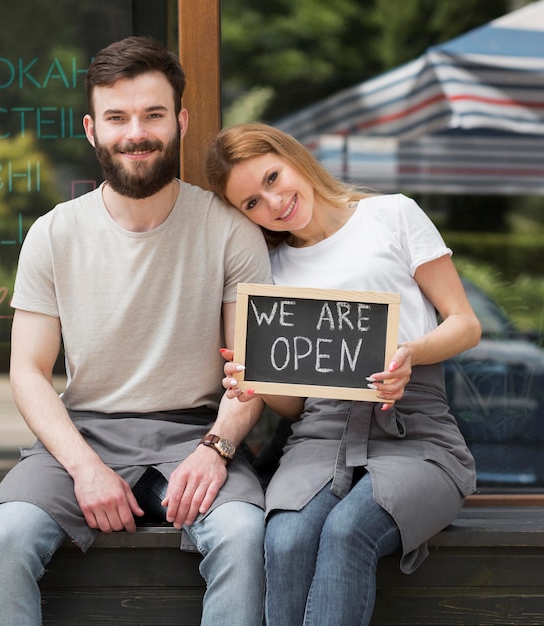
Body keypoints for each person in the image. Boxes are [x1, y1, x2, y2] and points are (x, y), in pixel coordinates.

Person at [0, 39, 272, 626]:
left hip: (198, 431)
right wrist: (84, 468)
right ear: (92, 129)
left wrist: (217, 449)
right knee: (7, 535)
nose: (136, 132)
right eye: (117, 117)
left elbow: (252, 368)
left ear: (180, 121)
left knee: (242, 534)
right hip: (83, 434)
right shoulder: (53, 234)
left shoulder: (231, 231)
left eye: (153, 115)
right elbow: (28, 372)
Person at [206, 122, 481, 626]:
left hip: (414, 430)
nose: (273, 203)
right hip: (320, 434)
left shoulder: (391, 214)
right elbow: (295, 407)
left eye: (272, 178)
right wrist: (261, 383)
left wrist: (410, 354)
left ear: (293, 157)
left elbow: (465, 323)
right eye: (251, 203)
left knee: (348, 531)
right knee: (285, 540)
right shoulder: (269, 269)